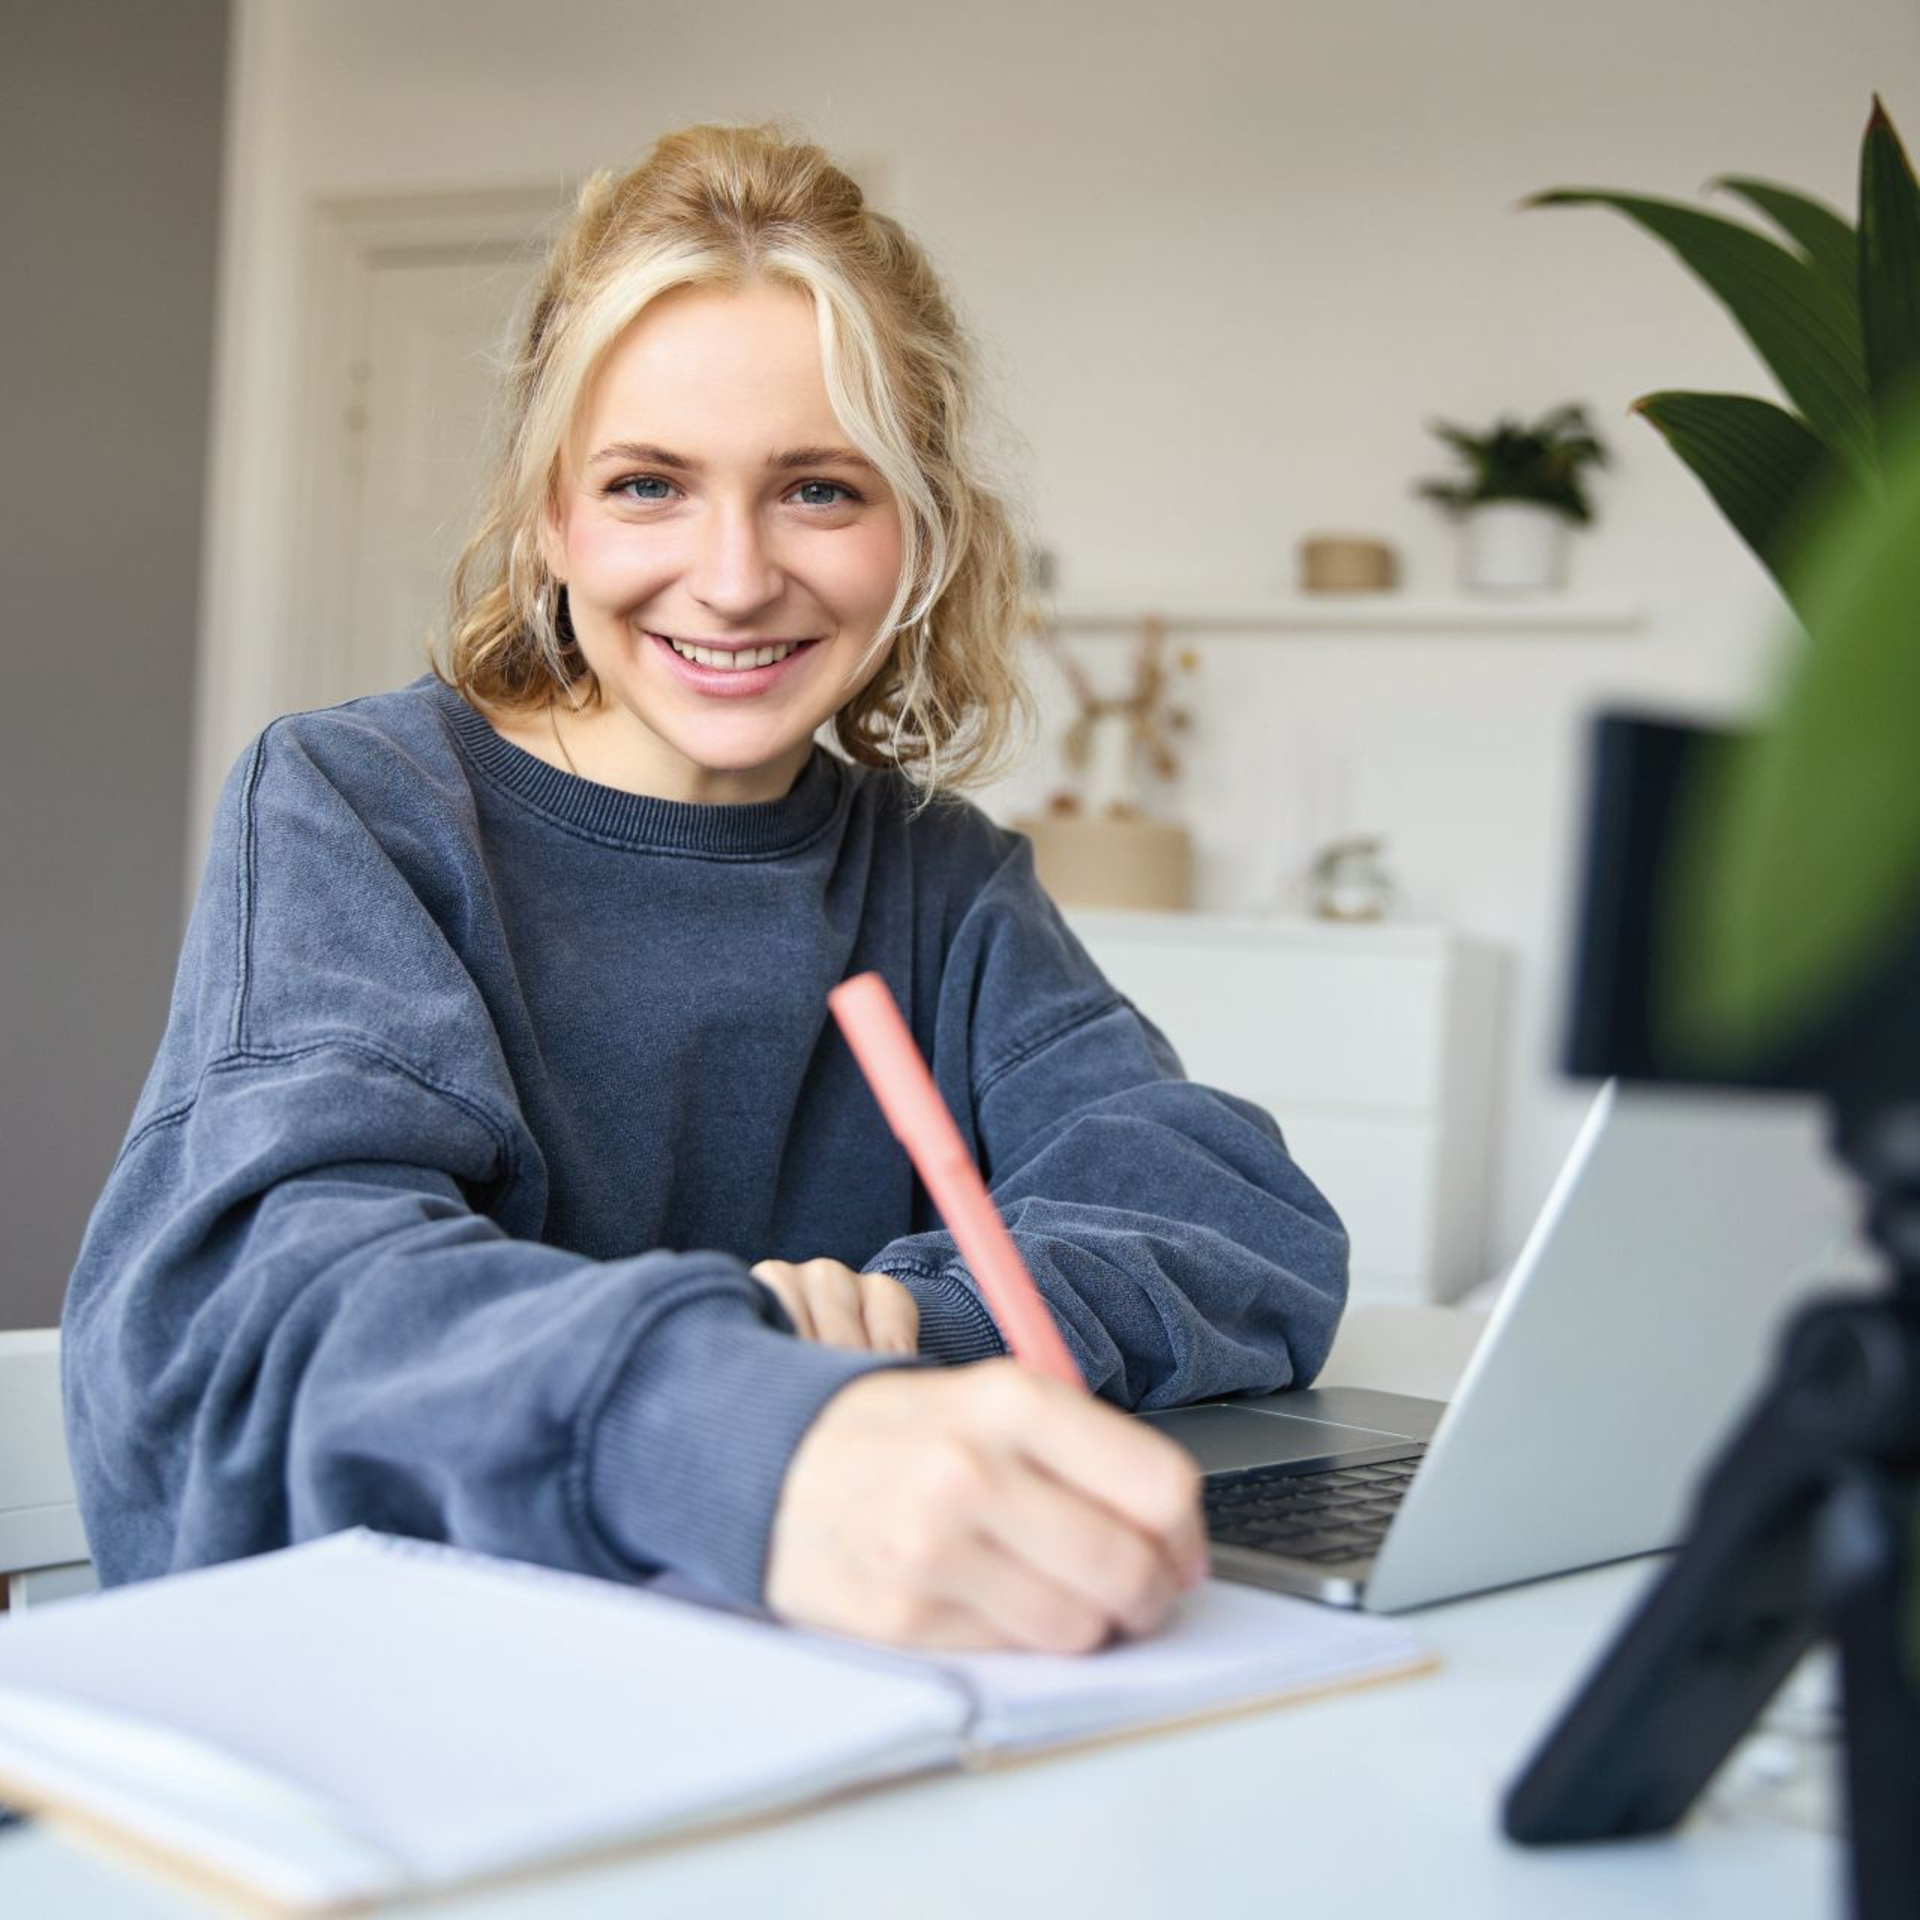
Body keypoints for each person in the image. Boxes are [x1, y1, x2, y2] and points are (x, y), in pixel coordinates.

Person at [63, 124, 1348, 1656]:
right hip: (433, 1677)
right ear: (550, 516)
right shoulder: (366, 808)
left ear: (920, 527)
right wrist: (755, 1412)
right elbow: (279, 1304)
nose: (734, 579)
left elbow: (1237, 1225)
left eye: (816, 489)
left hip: (816, 1689)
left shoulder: (938, 875)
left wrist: (914, 1323)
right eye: (649, 485)